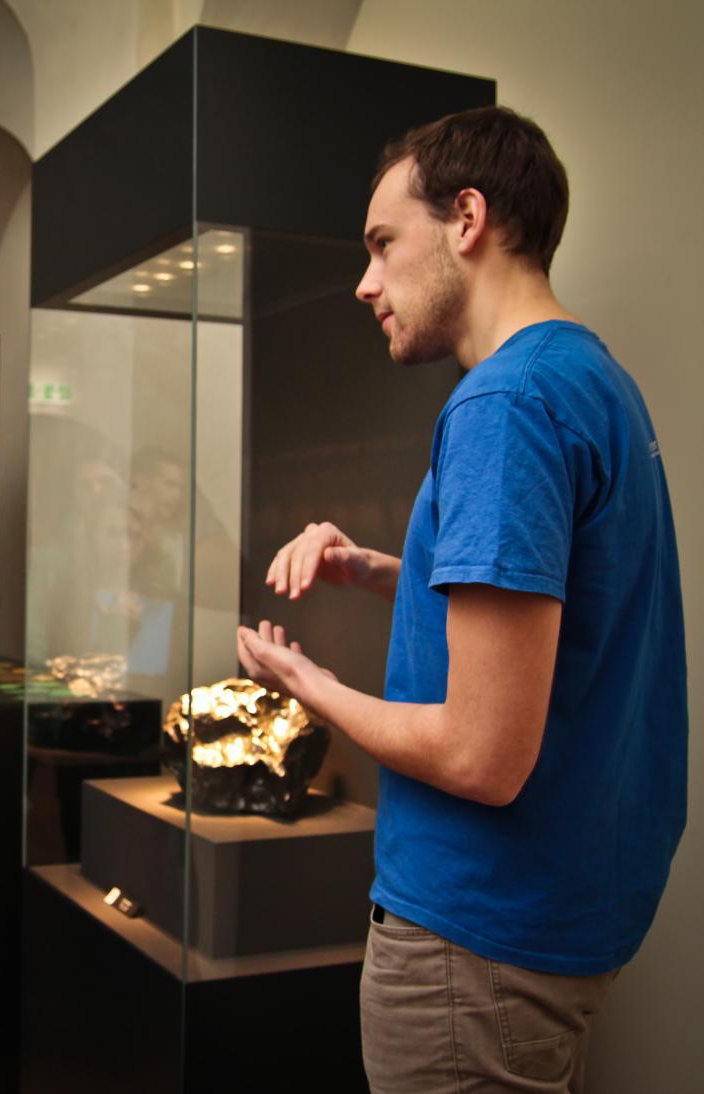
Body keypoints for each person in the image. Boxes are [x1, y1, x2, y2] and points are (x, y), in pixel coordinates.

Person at [235, 106, 686, 1094]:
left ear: (467, 218)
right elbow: (567, 610)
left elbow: (483, 754)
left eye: (383, 244)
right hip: (556, 924)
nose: (364, 282)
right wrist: (386, 570)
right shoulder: (587, 377)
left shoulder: (502, 405)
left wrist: (302, 681)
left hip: (475, 942)